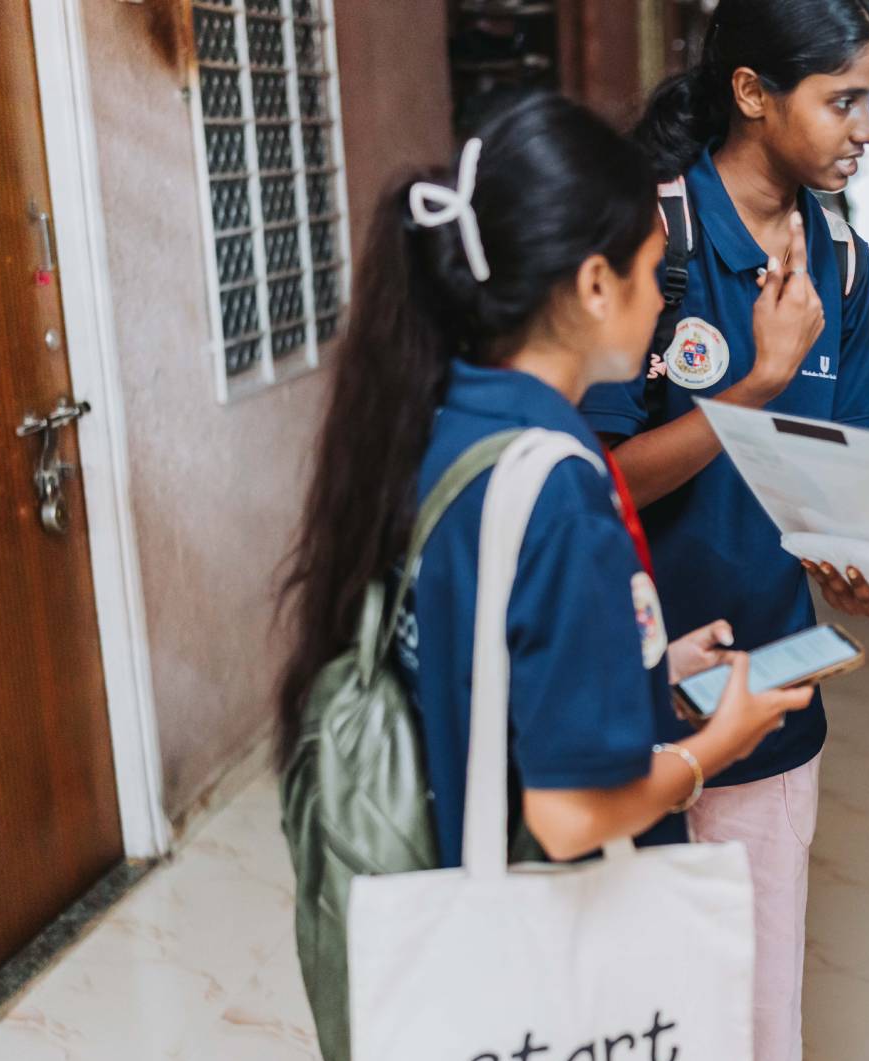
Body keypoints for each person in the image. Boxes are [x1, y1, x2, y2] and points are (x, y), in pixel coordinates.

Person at [276, 91, 808, 875]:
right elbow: (570, 817)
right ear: (596, 285)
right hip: (548, 923)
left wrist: (644, 665)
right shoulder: (560, 490)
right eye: (655, 276)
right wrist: (714, 747)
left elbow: (493, 647)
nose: (662, 306)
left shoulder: (443, 417)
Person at [578, 3, 869, 1061]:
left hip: (767, 690)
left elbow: (830, 476)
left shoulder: (843, 264)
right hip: (626, 692)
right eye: (843, 99)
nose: (867, 128)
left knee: (758, 1005)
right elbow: (592, 479)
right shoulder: (644, 237)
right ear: (755, 94)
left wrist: (853, 559)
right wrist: (754, 387)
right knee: (631, 1002)